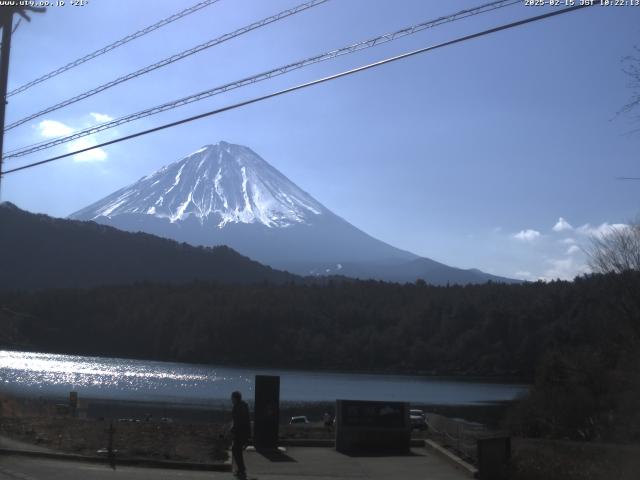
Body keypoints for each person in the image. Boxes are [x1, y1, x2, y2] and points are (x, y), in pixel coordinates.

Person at [230, 390, 251, 479]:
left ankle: (241, 470)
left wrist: (233, 429)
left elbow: (239, 421)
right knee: (237, 451)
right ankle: (241, 469)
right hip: (242, 432)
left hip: (240, 432)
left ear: (235, 398)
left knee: (236, 450)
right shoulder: (241, 406)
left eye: (232, 398)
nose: (231, 399)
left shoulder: (239, 407)